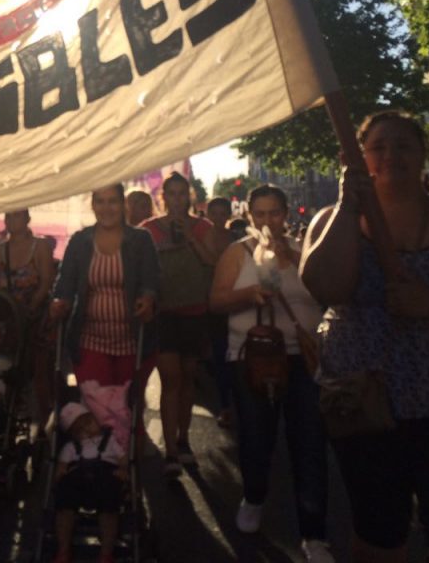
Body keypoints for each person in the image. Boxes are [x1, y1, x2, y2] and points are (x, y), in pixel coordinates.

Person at [302, 111, 429, 563]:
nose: (390, 154)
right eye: (377, 146)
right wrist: (348, 206)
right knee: (379, 534)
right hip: (367, 410)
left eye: (403, 145)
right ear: (355, 158)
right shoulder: (330, 220)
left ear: (422, 155)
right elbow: (327, 288)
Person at [210, 185, 333, 562]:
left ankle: (314, 535)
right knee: (257, 436)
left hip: (302, 359)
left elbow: (327, 294)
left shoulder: (304, 248)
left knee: (309, 442)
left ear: (285, 214)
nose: (268, 221)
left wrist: (293, 261)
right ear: (249, 216)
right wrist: (251, 293)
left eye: (274, 213)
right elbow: (216, 300)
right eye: (260, 214)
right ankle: (255, 495)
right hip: (253, 357)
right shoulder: (238, 252)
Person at [50, 185, 157, 444]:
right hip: (90, 338)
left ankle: (125, 465)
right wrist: (59, 302)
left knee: (126, 407)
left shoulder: (140, 240)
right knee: (97, 406)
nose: (107, 208)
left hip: (131, 339)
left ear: (123, 205)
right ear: (93, 205)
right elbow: (65, 283)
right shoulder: (80, 241)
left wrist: (147, 296)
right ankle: (99, 465)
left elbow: (152, 278)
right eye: (100, 201)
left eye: (113, 201)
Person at [142, 173, 217, 476]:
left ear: (189, 197)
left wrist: (189, 238)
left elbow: (212, 261)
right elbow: (142, 268)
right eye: (170, 193)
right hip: (164, 313)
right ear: (163, 197)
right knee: (171, 378)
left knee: (188, 377)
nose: (176, 199)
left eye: (181, 193)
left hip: (195, 311)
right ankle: (170, 451)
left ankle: (183, 439)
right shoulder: (148, 229)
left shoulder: (203, 227)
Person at [0, 209, 55, 434]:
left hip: (35, 317)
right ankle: (9, 414)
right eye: (8, 216)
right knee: (7, 368)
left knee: (39, 370)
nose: (11, 220)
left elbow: (46, 282)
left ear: (27, 218)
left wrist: (31, 308)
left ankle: (44, 421)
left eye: (17, 216)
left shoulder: (39, 246)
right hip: (8, 317)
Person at [53, 401, 127, 563]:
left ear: (95, 419)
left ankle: (106, 553)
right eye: (80, 429)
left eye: (88, 423)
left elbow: (123, 458)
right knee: (64, 504)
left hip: (105, 477)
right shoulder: (71, 447)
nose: (86, 429)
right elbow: (62, 465)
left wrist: (123, 470)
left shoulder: (110, 441)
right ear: (73, 434)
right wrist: (60, 472)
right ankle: (63, 550)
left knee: (109, 509)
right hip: (78, 479)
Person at [205, 196, 235, 428]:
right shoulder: (203, 237)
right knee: (220, 354)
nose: (218, 217)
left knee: (233, 355)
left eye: (222, 213)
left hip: (235, 302)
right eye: (214, 213)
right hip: (211, 303)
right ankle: (225, 404)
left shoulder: (236, 239)